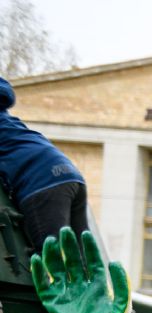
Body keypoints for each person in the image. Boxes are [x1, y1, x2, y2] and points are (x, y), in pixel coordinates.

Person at [1, 76, 91, 250]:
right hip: (69, 174)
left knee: (51, 255)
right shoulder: (7, 119)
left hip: (41, 182)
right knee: (84, 256)